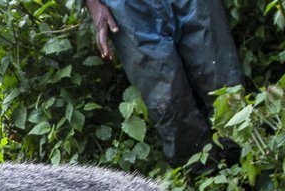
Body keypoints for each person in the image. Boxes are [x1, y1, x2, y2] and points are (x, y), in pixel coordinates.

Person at [84, 0, 243, 167]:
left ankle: (247, 163)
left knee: (223, 84)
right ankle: (206, 178)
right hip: (127, 9)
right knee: (169, 103)